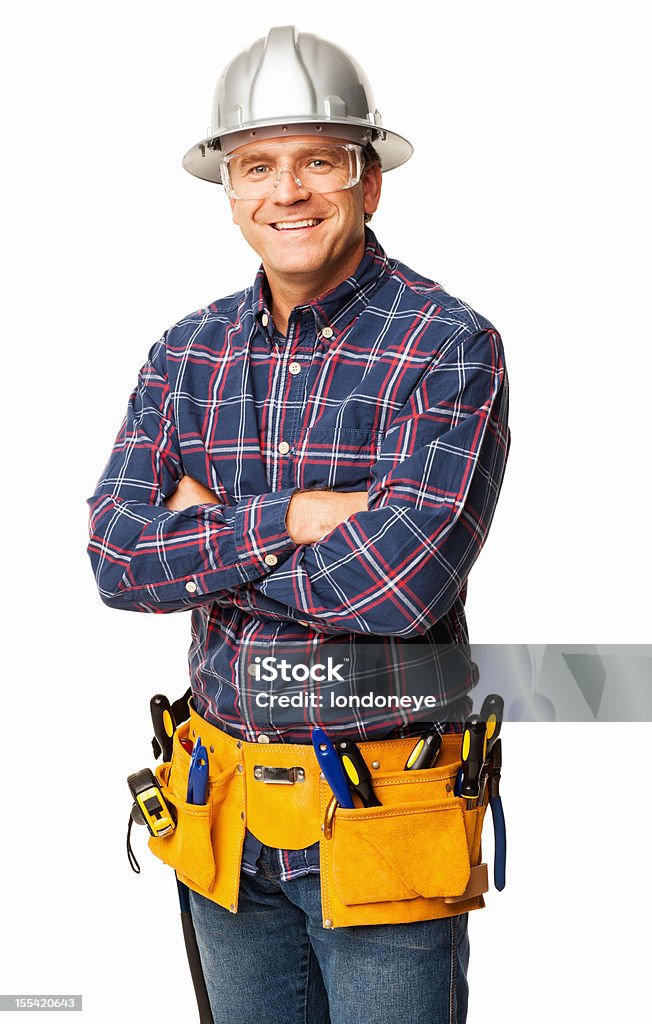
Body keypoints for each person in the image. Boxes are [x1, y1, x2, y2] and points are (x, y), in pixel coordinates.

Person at [87, 25, 510, 1024]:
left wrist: (207, 534)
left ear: (368, 183)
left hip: (379, 815)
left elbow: (403, 586)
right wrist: (297, 519)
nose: (290, 192)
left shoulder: (446, 346)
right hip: (222, 814)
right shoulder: (184, 355)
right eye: (259, 166)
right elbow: (115, 555)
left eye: (320, 162)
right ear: (229, 192)